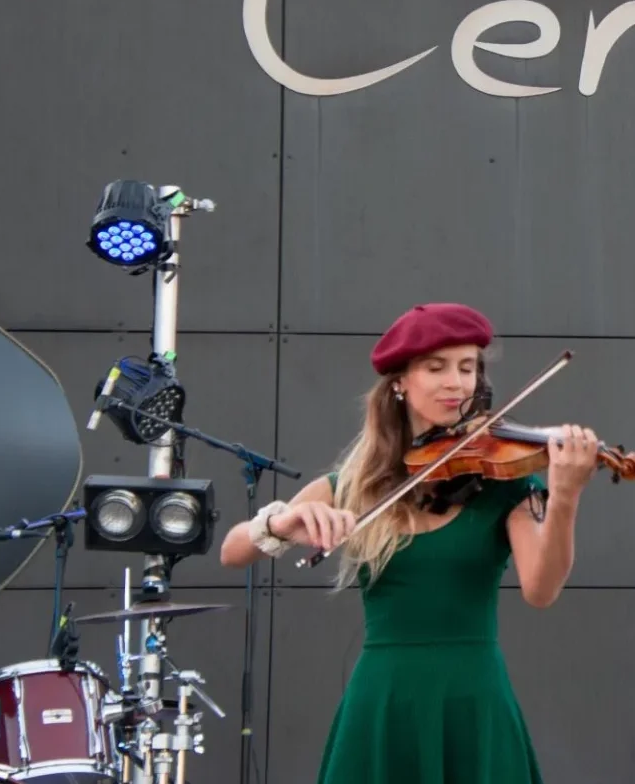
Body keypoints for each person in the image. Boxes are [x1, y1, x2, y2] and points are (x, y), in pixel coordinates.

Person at [219, 302, 601, 783]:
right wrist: (280, 523)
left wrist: (564, 496)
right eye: (436, 367)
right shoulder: (351, 487)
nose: (455, 383)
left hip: (473, 696)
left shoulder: (503, 482)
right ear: (399, 380)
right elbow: (232, 552)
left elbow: (541, 591)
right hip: (384, 698)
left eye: (467, 368)